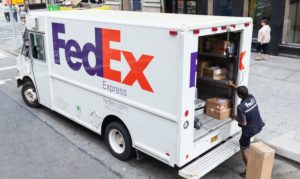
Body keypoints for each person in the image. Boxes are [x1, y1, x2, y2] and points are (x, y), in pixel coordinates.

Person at [227, 81, 265, 177]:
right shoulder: (251, 97)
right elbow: (241, 91)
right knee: (246, 144)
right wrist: (232, 86)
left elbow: (243, 123)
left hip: (250, 130)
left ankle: (249, 170)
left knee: (243, 148)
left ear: (239, 95)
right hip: (259, 125)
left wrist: (234, 117)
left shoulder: (241, 107)